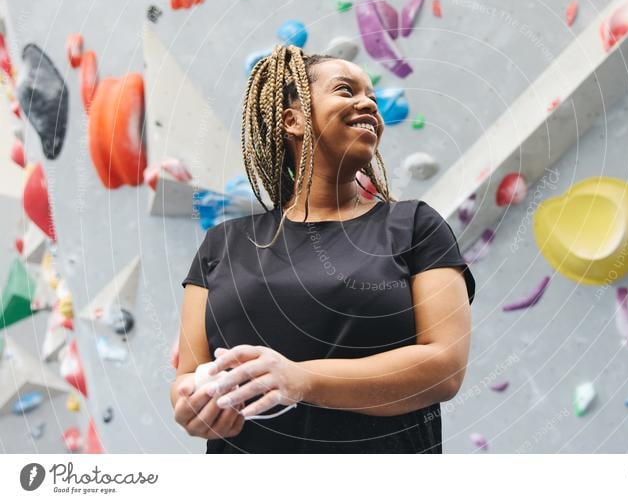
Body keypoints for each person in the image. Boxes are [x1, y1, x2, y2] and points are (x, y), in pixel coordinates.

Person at [170, 45, 476, 453]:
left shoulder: (415, 226)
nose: (368, 102)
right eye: (346, 90)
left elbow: (444, 369)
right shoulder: (220, 246)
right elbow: (188, 376)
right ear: (292, 120)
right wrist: (195, 405)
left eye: (371, 94)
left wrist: (299, 380)